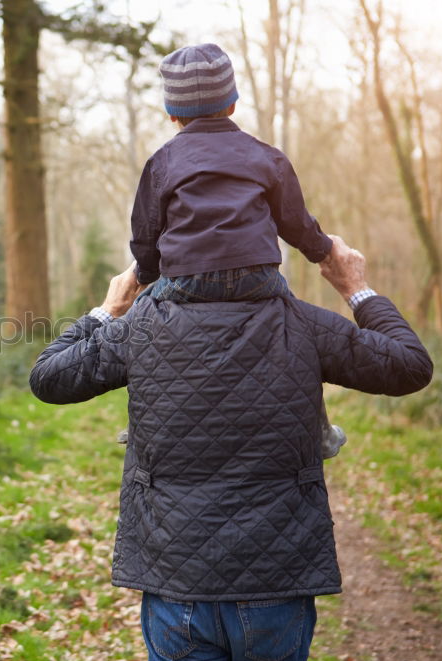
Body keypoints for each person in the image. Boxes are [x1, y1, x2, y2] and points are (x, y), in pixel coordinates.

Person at [29, 235, 432, 661]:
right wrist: (356, 289)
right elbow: (409, 365)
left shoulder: (141, 327)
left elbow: (49, 377)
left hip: (177, 585)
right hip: (275, 586)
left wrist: (107, 311)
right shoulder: (303, 323)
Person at [128, 43, 348, 458]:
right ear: (232, 104)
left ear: (171, 113)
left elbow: (145, 231)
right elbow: (296, 223)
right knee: (295, 331)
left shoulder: (163, 163)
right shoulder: (266, 157)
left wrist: (146, 273)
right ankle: (319, 431)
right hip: (256, 277)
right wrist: (322, 251)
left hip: (184, 281)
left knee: (146, 333)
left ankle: (138, 427)